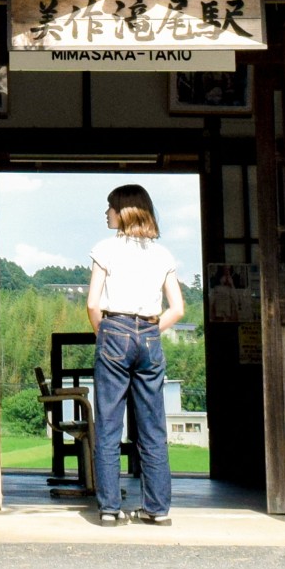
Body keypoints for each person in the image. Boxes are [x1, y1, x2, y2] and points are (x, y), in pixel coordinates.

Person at [86, 182, 185, 525]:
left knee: (109, 426)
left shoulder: (105, 249)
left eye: (110, 207)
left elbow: (92, 303)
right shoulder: (162, 254)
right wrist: (149, 332)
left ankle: (110, 508)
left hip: (114, 330)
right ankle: (157, 510)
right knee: (152, 428)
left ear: (123, 211)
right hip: (149, 336)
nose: (106, 213)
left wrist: (108, 334)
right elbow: (178, 309)